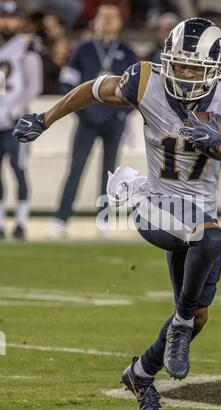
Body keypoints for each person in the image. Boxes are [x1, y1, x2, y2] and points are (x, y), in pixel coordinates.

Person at [13, 18, 221, 410]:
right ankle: (177, 327)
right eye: (179, 65)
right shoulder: (145, 80)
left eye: (193, 68)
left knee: (199, 315)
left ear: (214, 69)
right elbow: (92, 89)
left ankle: (141, 373)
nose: (184, 74)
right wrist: (44, 120)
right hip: (154, 204)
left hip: (199, 212)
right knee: (210, 241)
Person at [48, 2, 137, 238]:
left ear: (119, 22)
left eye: (112, 17)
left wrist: (121, 114)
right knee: (75, 169)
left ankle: (104, 219)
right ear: (95, 21)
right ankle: (61, 219)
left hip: (113, 121)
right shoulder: (83, 50)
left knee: (109, 173)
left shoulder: (127, 52)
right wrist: (80, 111)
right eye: (103, 17)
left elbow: (138, 91)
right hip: (87, 119)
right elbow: (67, 82)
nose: (107, 22)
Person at [0, 0, 43, 240]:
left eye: (11, 17)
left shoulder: (26, 46)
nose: (6, 22)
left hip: (14, 122)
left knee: (18, 170)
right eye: (3, 17)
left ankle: (21, 221)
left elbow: (33, 85)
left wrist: (15, 108)